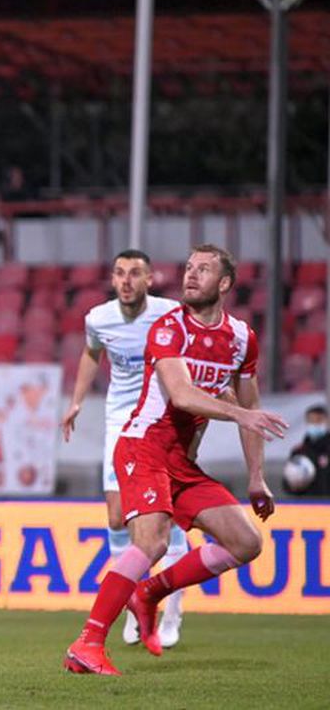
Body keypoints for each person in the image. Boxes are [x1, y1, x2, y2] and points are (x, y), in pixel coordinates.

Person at [63, 245, 288, 676]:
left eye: (203, 270)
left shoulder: (241, 338)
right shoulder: (168, 329)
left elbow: (250, 407)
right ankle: (87, 644)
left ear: (224, 284)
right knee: (152, 542)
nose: (190, 275)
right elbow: (184, 396)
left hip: (182, 461)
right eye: (187, 268)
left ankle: (149, 594)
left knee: (246, 543)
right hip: (142, 445)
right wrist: (241, 411)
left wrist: (257, 478)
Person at [60, 250, 189, 648]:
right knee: (118, 519)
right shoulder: (98, 318)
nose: (126, 280)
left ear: (150, 279)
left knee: (165, 519)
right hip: (120, 424)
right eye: (119, 273)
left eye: (135, 273)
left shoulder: (172, 315)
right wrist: (77, 401)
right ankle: (137, 602)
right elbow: (91, 354)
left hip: (161, 423)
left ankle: (172, 611)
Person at [285, 405, 330, 496]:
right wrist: (293, 485)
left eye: (319, 420)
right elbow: (287, 482)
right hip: (306, 505)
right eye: (311, 421)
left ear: (327, 421)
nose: (315, 424)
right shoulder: (299, 451)